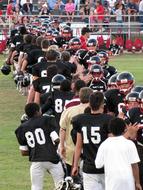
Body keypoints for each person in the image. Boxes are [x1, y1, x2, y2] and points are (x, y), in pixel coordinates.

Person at [15, 103, 64, 190]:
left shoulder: (21, 128)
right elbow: (56, 139)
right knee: (60, 185)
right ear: (37, 111)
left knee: (36, 187)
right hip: (52, 159)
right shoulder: (47, 120)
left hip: (36, 160)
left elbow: (24, 152)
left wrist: (36, 149)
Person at [71, 91, 113, 190]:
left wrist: (75, 165)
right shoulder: (108, 119)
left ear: (90, 104)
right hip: (106, 166)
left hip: (89, 167)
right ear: (102, 104)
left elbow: (78, 145)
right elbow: (112, 143)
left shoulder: (80, 120)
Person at [95, 117, 142, 190]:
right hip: (128, 182)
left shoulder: (104, 145)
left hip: (112, 182)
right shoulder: (130, 144)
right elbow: (134, 165)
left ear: (110, 129)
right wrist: (138, 183)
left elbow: (98, 164)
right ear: (124, 129)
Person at [59, 87, 93, 176]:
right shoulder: (95, 111)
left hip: (71, 151)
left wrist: (62, 146)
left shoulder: (69, 111)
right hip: (91, 151)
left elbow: (62, 129)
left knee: (72, 180)